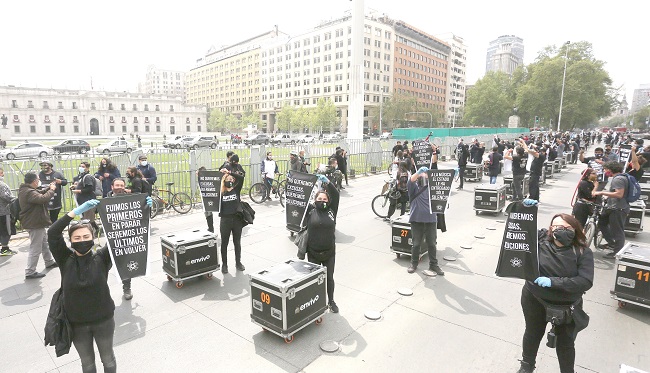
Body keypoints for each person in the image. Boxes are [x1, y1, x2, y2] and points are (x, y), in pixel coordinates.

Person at [516, 210, 593, 373]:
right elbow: (518, 229)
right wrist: (525, 209)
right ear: (551, 229)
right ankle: (526, 365)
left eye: (567, 227)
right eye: (558, 226)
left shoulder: (582, 252)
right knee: (532, 333)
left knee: (565, 343)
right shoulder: (540, 240)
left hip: (566, 307)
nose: (562, 230)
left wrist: (553, 282)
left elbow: (585, 281)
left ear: (575, 230)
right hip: (534, 299)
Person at [47, 199, 117, 373]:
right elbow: (53, 232)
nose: (82, 240)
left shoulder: (102, 257)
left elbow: (121, 235)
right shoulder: (65, 259)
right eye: (77, 238)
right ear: (70, 240)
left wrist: (144, 212)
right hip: (76, 324)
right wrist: (74, 212)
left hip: (104, 321)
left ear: (93, 237)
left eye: (86, 237)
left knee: (108, 360)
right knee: (87, 364)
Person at [304, 175, 340, 313]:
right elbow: (299, 200)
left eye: (325, 199)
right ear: (315, 200)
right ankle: (315, 304)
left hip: (329, 252)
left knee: (329, 278)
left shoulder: (332, 211)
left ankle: (331, 301)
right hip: (313, 253)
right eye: (319, 199)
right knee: (314, 280)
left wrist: (328, 183)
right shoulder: (310, 210)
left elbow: (336, 194)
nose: (322, 201)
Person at [19, 172, 58, 278]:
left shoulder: (27, 190)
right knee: (35, 248)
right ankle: (30, 271)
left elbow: (39, 193)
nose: (39, 181)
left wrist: (48, 188)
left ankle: (49, 261)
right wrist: (52, 190)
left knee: (44, 243)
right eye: (38, 179)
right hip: (34, 223)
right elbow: (42, 199)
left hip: (36, 221)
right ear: (34, 181)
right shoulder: (28, 192)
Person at [406, 167, 443, 276]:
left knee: (432, 243)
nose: (424, 176)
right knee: (416, 243)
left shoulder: (433, 188)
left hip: (431, 220)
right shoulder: (414, 188)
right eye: (422, 174)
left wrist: (453, 174)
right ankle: (414, 263)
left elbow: (445, 187)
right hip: (416, 220)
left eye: (425, 174)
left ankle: (433, 264)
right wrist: (418, 172)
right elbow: (411, 180)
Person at [105, 178, 136, 300]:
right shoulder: (105, 200)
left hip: (126, 238)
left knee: (125, 264)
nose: (119, 187)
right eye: (117, 185)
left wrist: (146, 205)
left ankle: (127, 288)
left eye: (121, 185)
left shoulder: (131, 199)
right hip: (111, 239)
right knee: (104, 265)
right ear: (112, 187)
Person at [592, 161, 629, 259]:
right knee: (602, 223)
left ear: (610, 169)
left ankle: (617, 252)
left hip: (618, 208)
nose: (604, 171)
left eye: (605, 169)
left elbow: (619, 194)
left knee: (618, 231)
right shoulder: (619, 178)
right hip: (612, 207)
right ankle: (611, 243)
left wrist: (602, 193)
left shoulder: (618, 179)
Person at [218, 167, 246, 273]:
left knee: (237, 242)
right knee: (224, 243)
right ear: (224, 181)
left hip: (236, 220)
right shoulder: (221, 192)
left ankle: (238, 262)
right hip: (225, 220)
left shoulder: (236, 189)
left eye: (231, 179)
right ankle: (224, 265)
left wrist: (230, 173)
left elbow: (241, 178)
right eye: (227, 179)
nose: (230, 181)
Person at [71, 162, 98, 227]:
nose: (81, 168)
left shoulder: (87, 177)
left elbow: (89, 189)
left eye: (83, 167)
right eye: (80, 166)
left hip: (88, 200)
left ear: (87, 168)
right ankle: (96, 229)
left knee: (88, 219)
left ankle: (95, 231)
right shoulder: (82, 176)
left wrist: (78, 191)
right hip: (83, 200)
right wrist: (75, 186)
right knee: (86, 218)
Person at [0, 168, 17, 256]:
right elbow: (5, 196)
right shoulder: (2, 185)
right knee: (6, 230)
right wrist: (15, 200)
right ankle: (4, 249)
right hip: (3, 211)